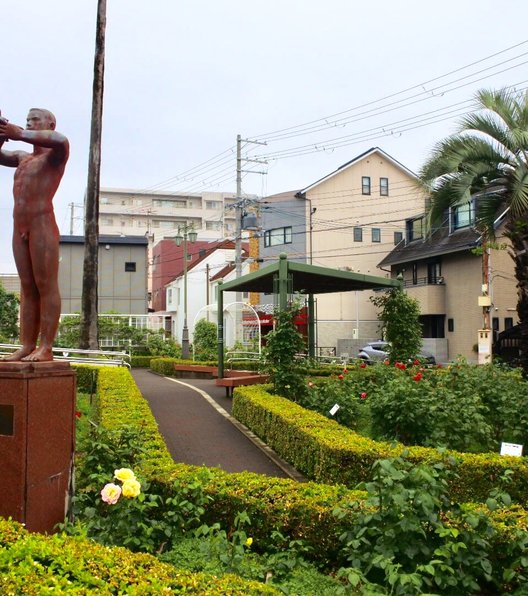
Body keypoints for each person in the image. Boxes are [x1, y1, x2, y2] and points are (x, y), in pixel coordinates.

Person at [0, 108, 69, 362]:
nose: (29, 123)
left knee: (46, 285)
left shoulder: (55, 156)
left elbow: (61, 140)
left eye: (35, 120)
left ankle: (46, 347)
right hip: (19, 227)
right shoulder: (22, 158)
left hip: (42, 225)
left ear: (49, 124)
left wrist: (19, 133)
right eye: (27, 120)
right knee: (27, 289)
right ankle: (27, 345)